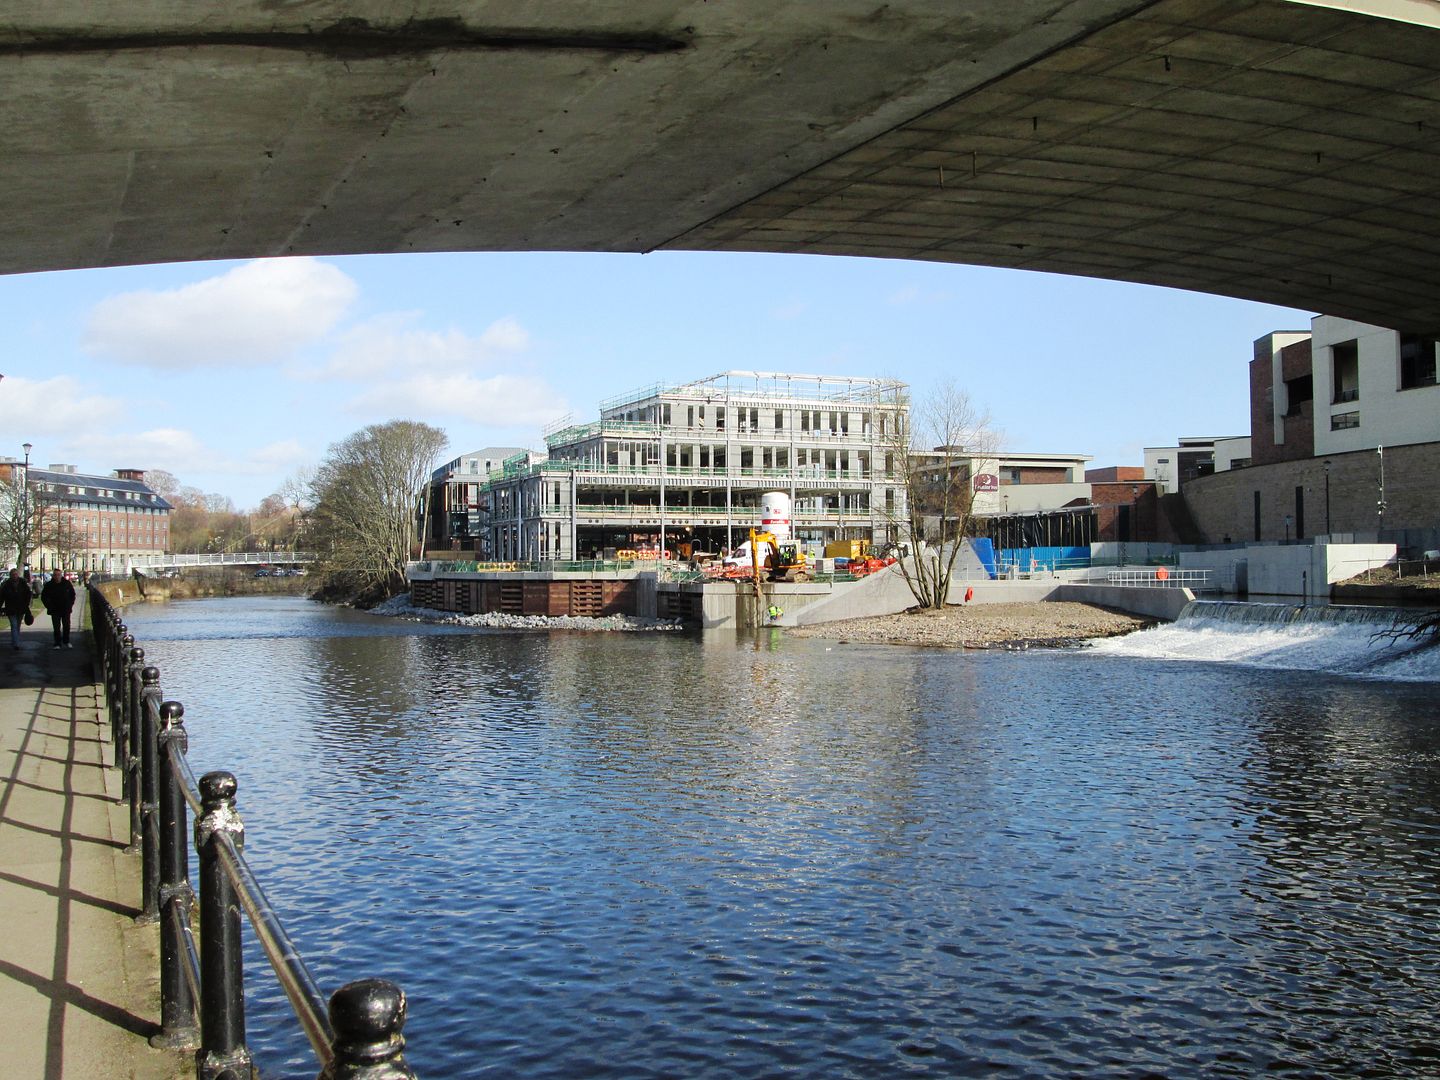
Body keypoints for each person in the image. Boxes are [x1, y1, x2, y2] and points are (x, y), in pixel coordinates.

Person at [41, 569, 76, 649]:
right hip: (55, 609)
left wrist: (70, 604)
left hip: (65, 609)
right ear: (53, 576)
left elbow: (72, 595)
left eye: (58, 575)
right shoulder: (49, 585)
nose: (57, 576)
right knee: (56, 627)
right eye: (55, 575)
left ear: (61, 575)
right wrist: (49, 606)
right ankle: (57, 643)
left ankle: (66, 641)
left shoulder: (66, 584)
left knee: (66, 626)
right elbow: (44, 597)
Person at [2, 567, 33, 651]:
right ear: (10, 576)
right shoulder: (6, 584)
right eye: (13, 575)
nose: (15, 576)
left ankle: (15, 640)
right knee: (14, 625)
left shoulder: (22, 583)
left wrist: (27, 604)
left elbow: (28, 593)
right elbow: (2, 596)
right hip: (11, 608)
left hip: (21, 607)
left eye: (16, 574)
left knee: (17, 625)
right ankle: (16, 643)